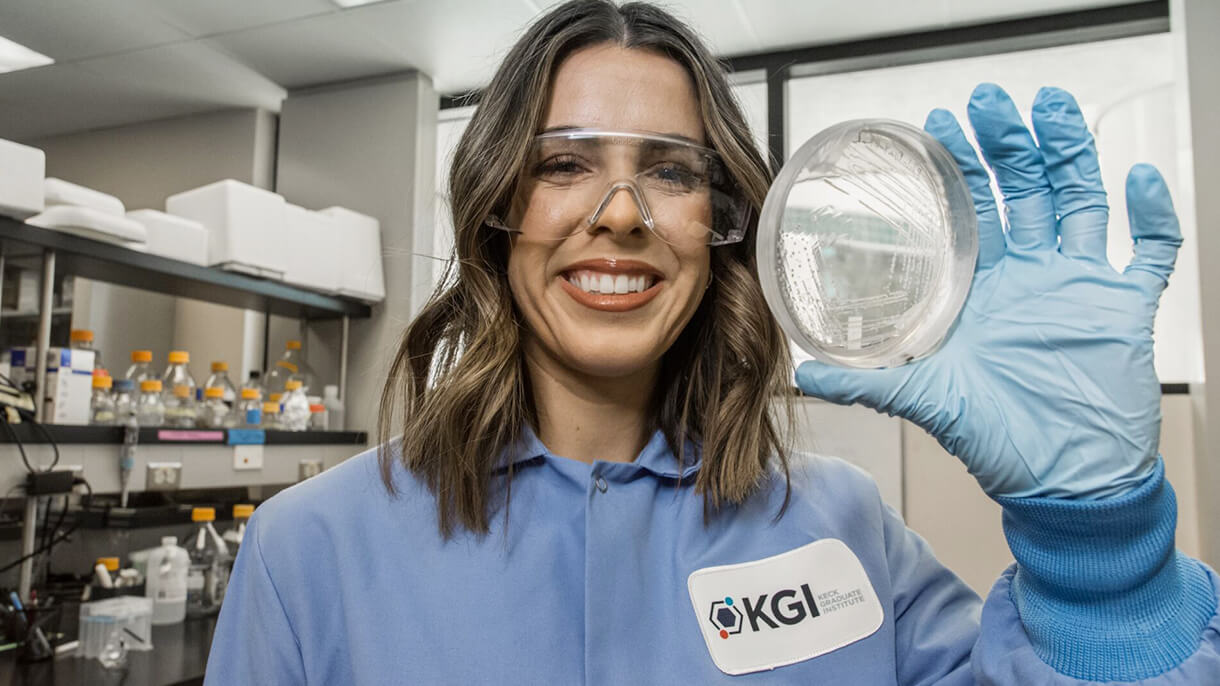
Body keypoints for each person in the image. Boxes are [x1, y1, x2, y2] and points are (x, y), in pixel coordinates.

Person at [205, 1, 1219, 683]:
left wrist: (1101, 554)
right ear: (497, 206)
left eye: (672, 171)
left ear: (724, 220)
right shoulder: (310, 550)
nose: (618, 213)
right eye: (562, 163)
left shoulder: (842, 528)